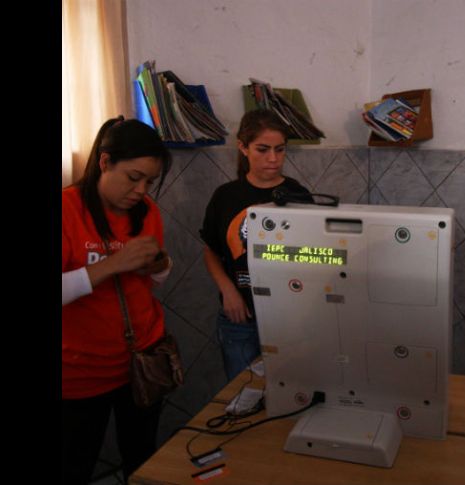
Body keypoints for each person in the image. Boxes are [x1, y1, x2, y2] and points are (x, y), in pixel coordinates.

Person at [62, 117, 173, 485]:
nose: (141, 190)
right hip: (79, 373)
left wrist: (159, 265)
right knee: (76, 465)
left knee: (142, 460)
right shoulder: (67, 210)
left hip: (142, 362)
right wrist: (113, 264)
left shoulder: (148, 212)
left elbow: (153, 281)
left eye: (149, 181)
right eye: (133, 177)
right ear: (105, 162)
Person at [200, 109, 311, 381]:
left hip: (288, 318)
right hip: (240, 319)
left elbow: (310, 255)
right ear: (243, 147)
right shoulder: (225, 196)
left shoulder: (298, 194)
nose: (273, 159)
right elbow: (211, 250)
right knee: (242, 392)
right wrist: (228, 291)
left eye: (280, 149)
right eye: (262, 149)